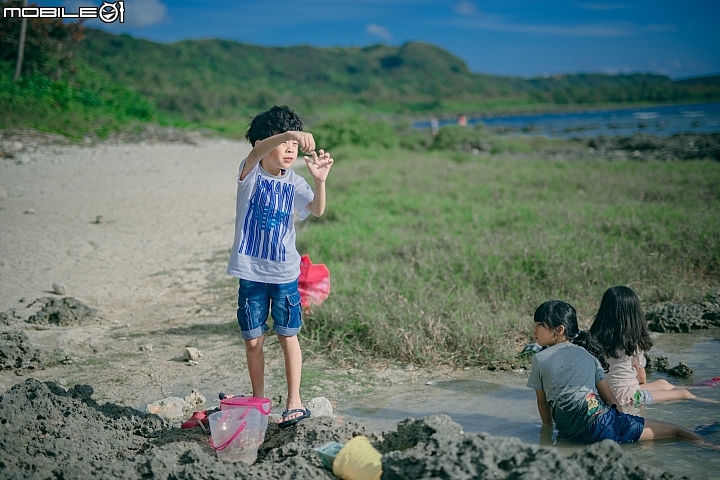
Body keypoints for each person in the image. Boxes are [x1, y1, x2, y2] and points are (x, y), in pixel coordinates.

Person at [226, 105, 334, 428]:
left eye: (293, 145)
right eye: (283, 142)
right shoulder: (250, 174)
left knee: (288, 337)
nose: (290, 148)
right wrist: (290, 132)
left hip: (285, 274)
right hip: (251, 273)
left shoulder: (295, 182)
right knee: (253, 340)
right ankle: (259, 399)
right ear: (263, 143)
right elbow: (258, 150)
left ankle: (294, 402)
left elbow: (316, 209)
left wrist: (320, 181)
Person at [527, 300, 714, 447]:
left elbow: (543, 403)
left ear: (559, 330)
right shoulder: (589, 356)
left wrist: (548, 435)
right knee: (676, 431)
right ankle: (712, 446)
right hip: (603, 424)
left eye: (539, 324)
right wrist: (622, 421)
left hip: (571, 434)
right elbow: (610, 399)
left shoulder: (540, 359)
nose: (534, 329)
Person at [589, 286, 709, 405]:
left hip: (605, 393)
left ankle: (697, 388)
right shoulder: (631, 342)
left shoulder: (594, 339)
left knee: (663, 383)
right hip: (627, 397)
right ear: (633, 314)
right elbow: (641, 377)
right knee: (683, 394)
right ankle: (711, 401)